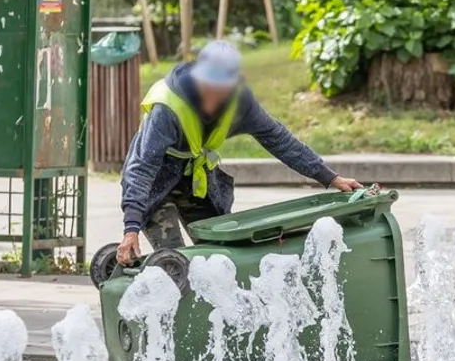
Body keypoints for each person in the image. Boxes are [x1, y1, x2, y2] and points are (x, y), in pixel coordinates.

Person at [117, 40, 362, 265]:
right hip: (155, 183)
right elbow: (142, 166)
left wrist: (330, 177)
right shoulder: (168, 106)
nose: (212, 94)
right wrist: (131, 228)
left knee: (220, 257)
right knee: (175, 261)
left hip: (195, 182)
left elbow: (279, 140)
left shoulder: (240, 103)